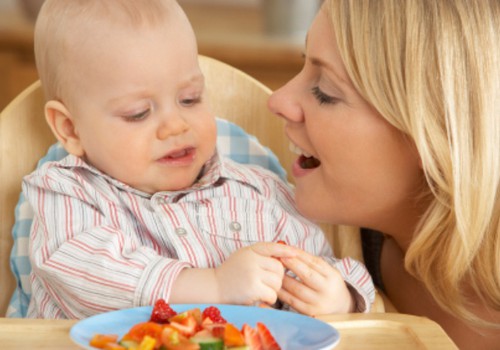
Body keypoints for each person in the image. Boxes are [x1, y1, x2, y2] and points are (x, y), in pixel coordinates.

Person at [24, 0, 375, 319]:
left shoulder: (258, 192)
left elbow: (317, 266)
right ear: (70, 128)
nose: (175, 125)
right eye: (138, 113)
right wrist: (216, 286)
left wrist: (340, 297)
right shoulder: (65, 193)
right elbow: (88, 280)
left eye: (190, 99)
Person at [268, 0, 500, 349]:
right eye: (303, 65)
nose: (277, 100)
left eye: (325, 91)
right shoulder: (329, 249)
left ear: (437, 136)